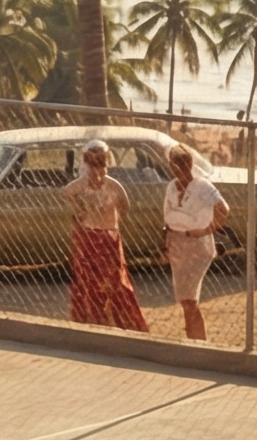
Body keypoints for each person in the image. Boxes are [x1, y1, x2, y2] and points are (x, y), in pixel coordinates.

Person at [61, 140, 149, 332]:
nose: (96, 170)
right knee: (88, 283)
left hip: (108, 238)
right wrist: (79, 209)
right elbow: (65, 194)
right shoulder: (80, 185)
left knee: (115, 282)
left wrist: (111, 222)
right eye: (92, 164)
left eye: (100, 164)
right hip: (88, 238)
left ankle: (119, 323)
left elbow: (125, 207)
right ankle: (91, 321)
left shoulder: (113, 185)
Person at [163, 144, 228, 342]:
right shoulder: (171, 187)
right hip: (176, 244)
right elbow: (166, 219)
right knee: (185, 299)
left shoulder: (202, 186)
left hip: (196, 245)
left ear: (190, 164)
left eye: (183, 164)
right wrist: (164, 247)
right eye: (176, 165)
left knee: (190, 298)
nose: (180, 169)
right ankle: (193, 337)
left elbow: (223, 209)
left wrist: (206, 230)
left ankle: (199, 340)